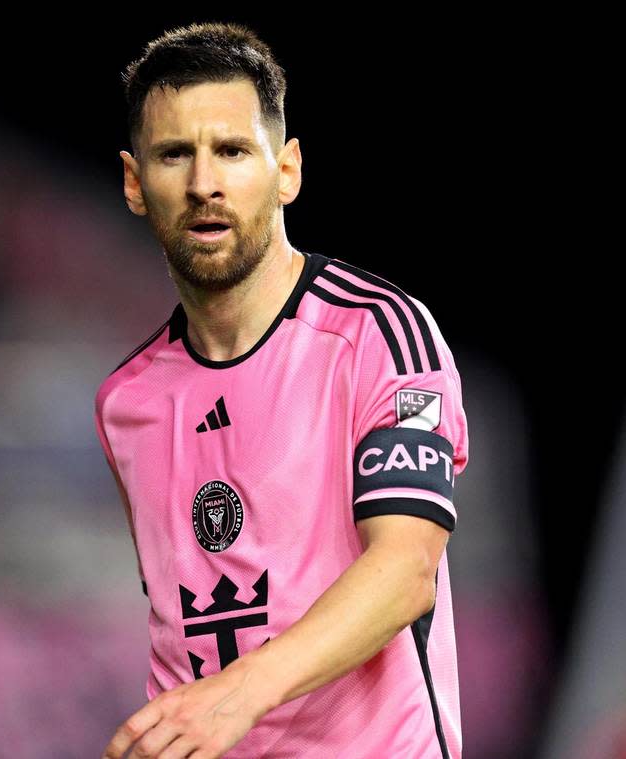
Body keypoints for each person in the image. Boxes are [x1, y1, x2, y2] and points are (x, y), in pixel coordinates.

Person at [93, 22, 470, 759]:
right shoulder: (125, 402)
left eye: (232, 151)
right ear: (136, 183)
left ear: (287, 169)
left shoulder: (380, 335)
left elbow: (405, 570)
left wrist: (233, 697)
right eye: (175, 154)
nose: (205, 184)